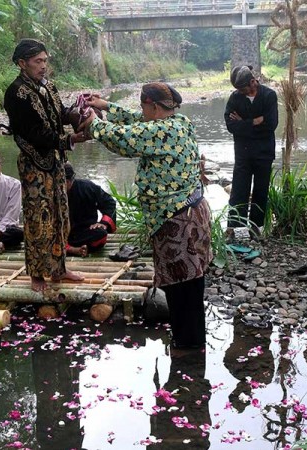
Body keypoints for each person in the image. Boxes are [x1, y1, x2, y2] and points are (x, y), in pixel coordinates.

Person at [80, 82, 212, 349]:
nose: (141, 111)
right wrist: (106, 106)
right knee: (189, 287)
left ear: (153, 105)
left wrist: (93, 123)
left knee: (182, 290)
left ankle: (188, 351)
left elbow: (124, 140)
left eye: (143, 106)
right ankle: (191, 350)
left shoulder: (163, 130)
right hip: (189, 216)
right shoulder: (178, 121)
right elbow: (138, 122)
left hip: (177, 223)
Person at [3, 38, 85, 291]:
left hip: (55, 162)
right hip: (34, 165)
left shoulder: (48, 86)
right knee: (38, 219)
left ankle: (58, 269)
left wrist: (79, 111)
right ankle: (37, 274)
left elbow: (60, 113)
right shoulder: (16, 93)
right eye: (37, 61)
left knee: (60, 215)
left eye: (45, 61)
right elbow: (34, 133)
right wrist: (69, 139)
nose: (43, 66)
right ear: (22, 63)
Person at [223, 65, 279, 235]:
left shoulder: (269, 96)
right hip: (243, 153)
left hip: (264, 152)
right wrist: (254, 121)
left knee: (261, 190)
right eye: (238, 89)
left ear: (253, 82)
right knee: (239, 189)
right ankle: (235, 228)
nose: (240, 92)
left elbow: (271, 125)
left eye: (243, 88)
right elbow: (231, 125)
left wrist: (243, 123)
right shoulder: (235, 98)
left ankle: (256, 228)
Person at [63, 163, 117, 257]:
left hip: (83, 233)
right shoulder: (50, 192)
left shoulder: (87, 187)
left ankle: (75, 249)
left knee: (101, 234)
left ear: (67, 181)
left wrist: (103, 223)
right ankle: (72, 250)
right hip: (60, 234)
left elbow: (109, 203)